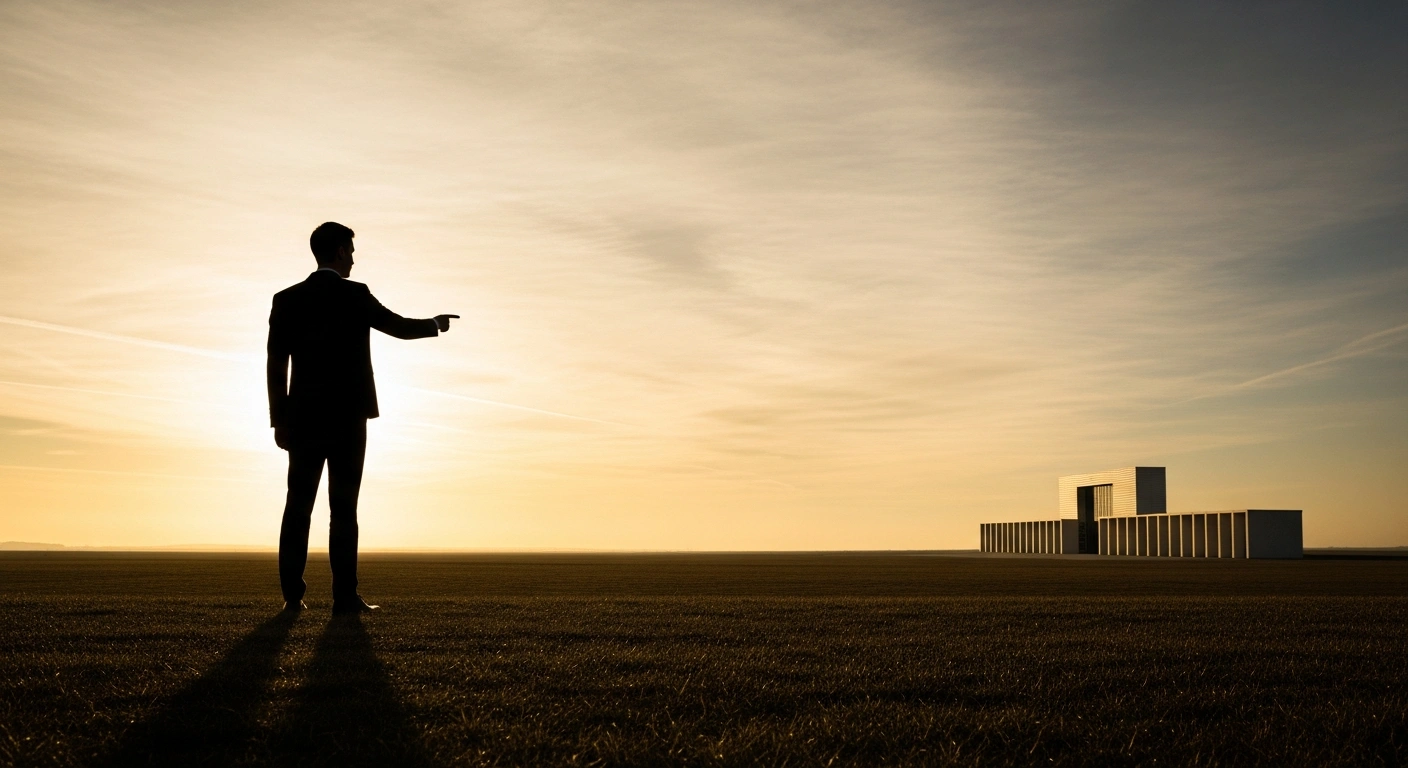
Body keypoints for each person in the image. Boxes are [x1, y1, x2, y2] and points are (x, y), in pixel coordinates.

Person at [267, 222, 457, 614]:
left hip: (301, 419)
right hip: (348, 419)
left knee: (297, 506)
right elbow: (398, 327)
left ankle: (292, 599)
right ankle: (345, 598)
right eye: (350, 250)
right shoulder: (355, 295)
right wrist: (435, 324)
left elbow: (275, 364)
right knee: (344, 508)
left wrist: (279, 420)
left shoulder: (286, 299)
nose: (353, 257)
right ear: (338, 251)